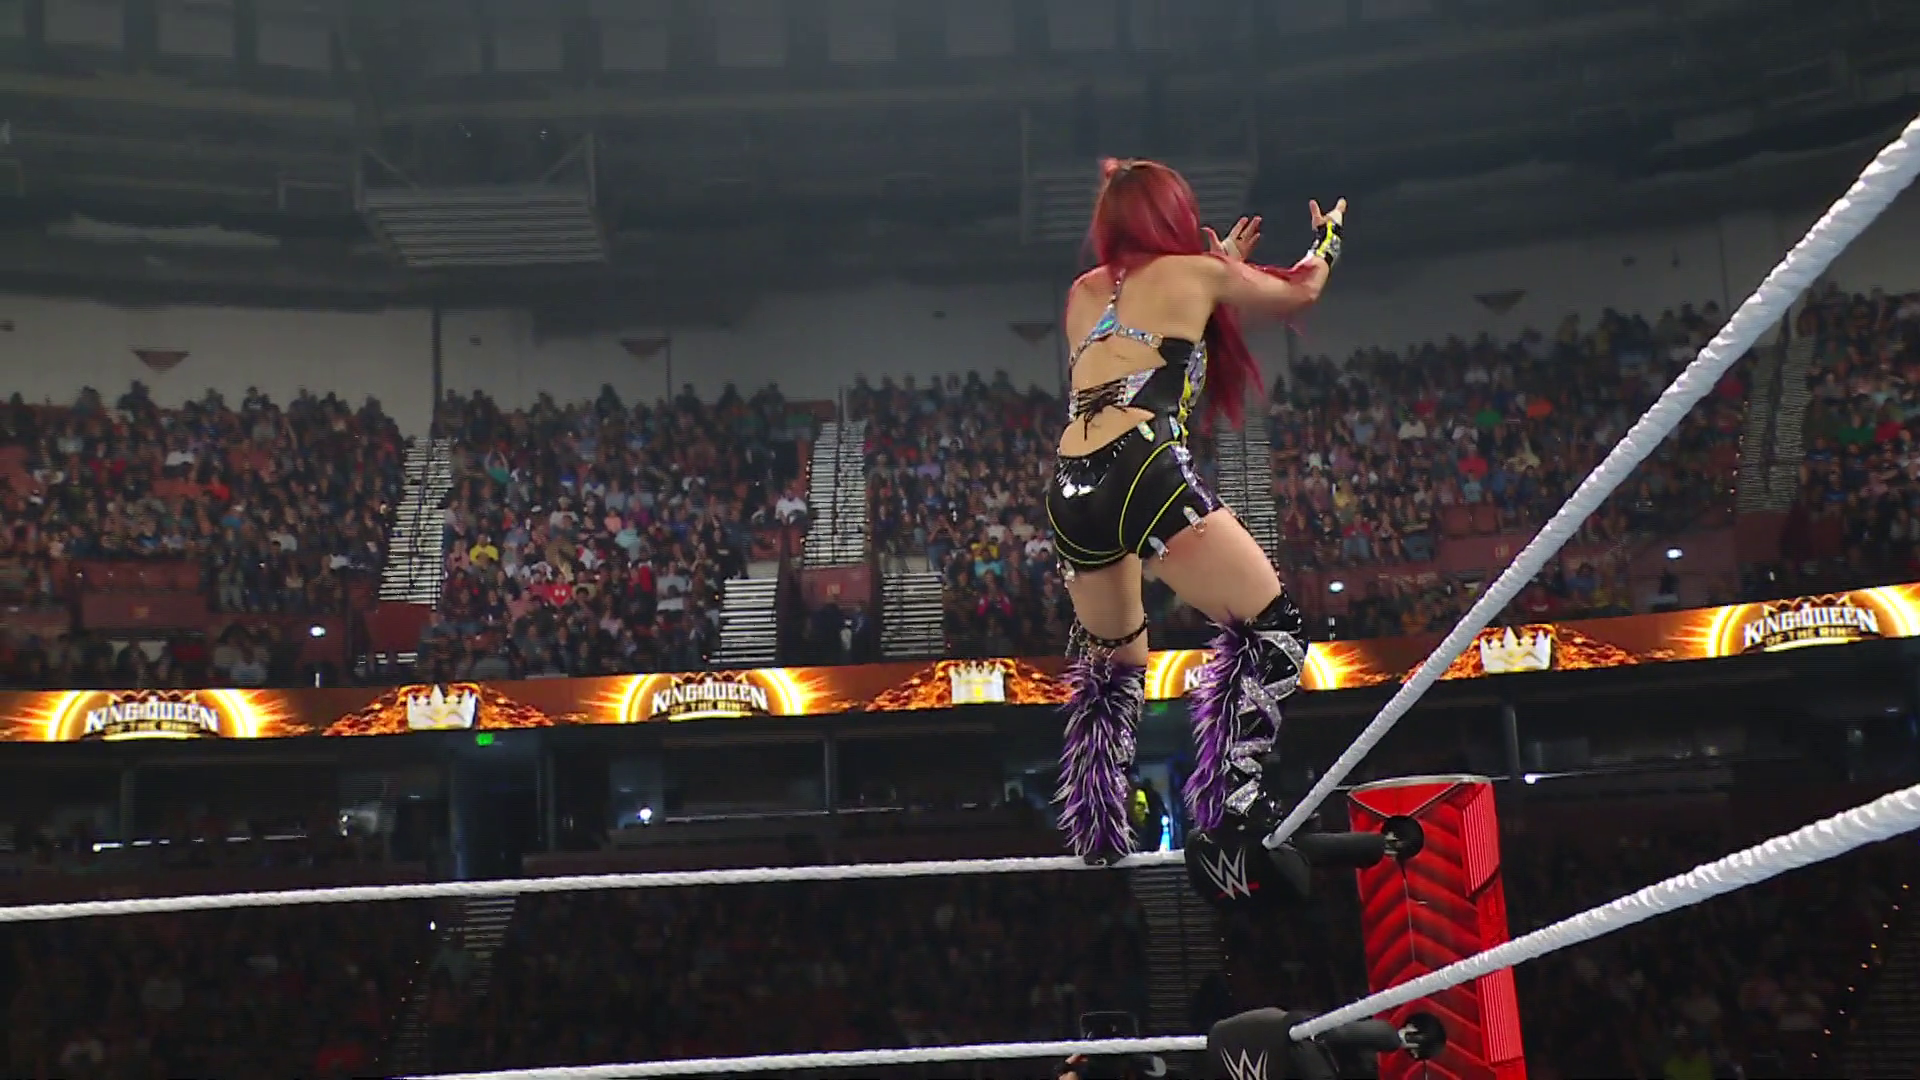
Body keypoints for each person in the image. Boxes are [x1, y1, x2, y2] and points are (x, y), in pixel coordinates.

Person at [1048, 157, 1344, 864]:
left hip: (1071, 488)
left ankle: (1098, 825)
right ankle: (1232, 800)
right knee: (1274, 629)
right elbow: (1302, 288)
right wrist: (1328, 238)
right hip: (1141, 467)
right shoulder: (1196, 274)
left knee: (1115, 666)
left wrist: (1218, 276)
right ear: (1173, 214)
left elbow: (1144, 351)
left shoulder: (1082, 292)